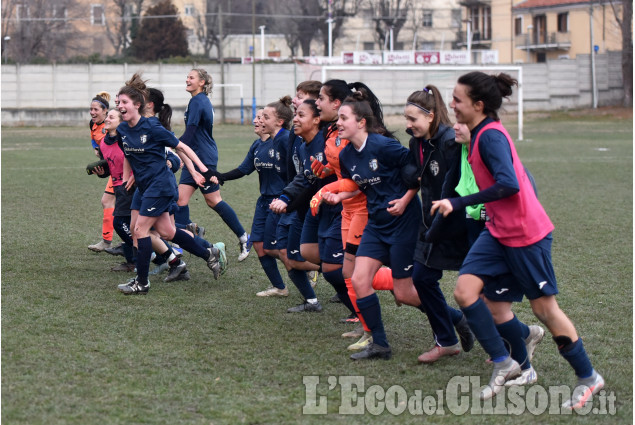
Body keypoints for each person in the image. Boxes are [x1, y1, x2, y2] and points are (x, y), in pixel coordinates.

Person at [432, 71, 603, 406]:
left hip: (526, 235)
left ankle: (588, 376)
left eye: (457, 99)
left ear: (478, 105)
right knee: (467, 292)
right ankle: (505, 362)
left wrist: (457, 202)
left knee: (545, 310)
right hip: (498, 231)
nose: (451, 104)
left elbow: (508, 183)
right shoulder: (478, 133)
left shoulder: (491, 137)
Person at [330, 93, 424, 361]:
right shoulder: (347, 155)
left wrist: (406, 200)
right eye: (338, 118)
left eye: (343, 118)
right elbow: (361, 185)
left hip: (403, 222)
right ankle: (380, 344)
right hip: (376, 223)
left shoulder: (384, 146)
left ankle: (453, 318)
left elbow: (416, 171)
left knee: (405, 293)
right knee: (359, 279)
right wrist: (340, 196)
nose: (339, 123)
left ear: (361, 122)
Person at [112, 73, 225, 295]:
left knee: (140, 230)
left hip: (161, 186)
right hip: (145, 187)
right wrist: (127, 178)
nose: (119, 106)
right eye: (118, 102)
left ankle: (141, 283)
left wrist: (201, 168)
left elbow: (182, 147)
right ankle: (208, 254)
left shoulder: (152, 127)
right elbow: (128, 155)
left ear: (137, 105)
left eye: (124, 102)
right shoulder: (123, 130)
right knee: (167, 230)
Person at [311, 79, 398, 351]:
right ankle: (367, 328)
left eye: (320, 98)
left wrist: (327, 189)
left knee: (354, 275)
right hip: (346, 208)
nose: (316, 102)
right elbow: (344, 171)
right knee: (350, 274)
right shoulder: (333, 135)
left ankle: (402, 282)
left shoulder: (375, 141)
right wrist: (325, 172)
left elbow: (361, 178)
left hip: (362, 209)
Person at [403, 85, 476, 364]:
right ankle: (447, 339)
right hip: (430, 222)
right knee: (422, 279)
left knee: (481, 287)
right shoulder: (416, 142)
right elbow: (411, 169)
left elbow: (461, 182)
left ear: (431, 116)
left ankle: (512, 340)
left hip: (457, 224)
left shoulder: (449, 141)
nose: (408, 126)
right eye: (406, 119)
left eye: (413, 120)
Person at [270, 99, 353, 315]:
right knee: (303, 254)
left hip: (333, 208)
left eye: (301, 114)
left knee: (321, 265)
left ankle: (356, 295)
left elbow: (317, 179)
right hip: (311, 206)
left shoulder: (326, 142)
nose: (294, 119)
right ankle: (336, 283)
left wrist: (287, 201)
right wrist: (286, 198)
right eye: (295, 114)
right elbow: (305, 177)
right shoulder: (303, 144)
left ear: (317, 119)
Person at [174, 68, 251, 261]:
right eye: (187, 77)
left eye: (191, 77)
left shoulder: (199, 102)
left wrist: (172, 145)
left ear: (202, 82)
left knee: (214, 200)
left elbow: (190, 135)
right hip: (195, 156)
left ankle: (244, 237)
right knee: (181, 201)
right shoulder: (197, 101)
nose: (187, 80)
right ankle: (180, 245)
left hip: (203, 158)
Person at [215, 104, 289, 297]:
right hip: (264, 202)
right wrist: (220, 176)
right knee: (258, 245)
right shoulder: (257, 146)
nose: (257, 121)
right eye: (257, 117)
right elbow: (243, 169)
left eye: (261, 117)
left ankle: (306, 267)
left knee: (276, 248)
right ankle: (280, 287)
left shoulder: (283, 142)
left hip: (282, 202)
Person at [90, 108, 136, 272]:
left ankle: (154, 255)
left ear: (121, 122)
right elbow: (111, 168)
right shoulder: (103, 143)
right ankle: (133, 261)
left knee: (120, 223)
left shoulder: (126, 140)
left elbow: (136, 161)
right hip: (117, 187)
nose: (107, 119)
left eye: (111, 117)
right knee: (132, 226)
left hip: (130, 187)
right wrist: (102, 173)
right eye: (107, 116)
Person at [87, 91, 116, 252]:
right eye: (91, 109)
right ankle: (106, 241)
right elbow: (94, 140)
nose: (92, 112)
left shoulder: (113, 125)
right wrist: (98, 151)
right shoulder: (93, 124)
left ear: (105, 111)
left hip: (126, 170)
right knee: (107, 201)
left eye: (96, 109)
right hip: (115, 169)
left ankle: (182, 231)